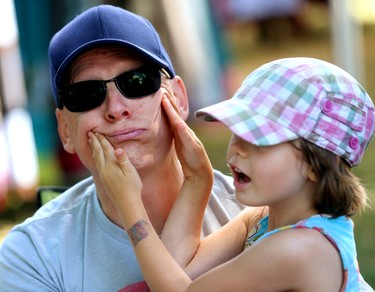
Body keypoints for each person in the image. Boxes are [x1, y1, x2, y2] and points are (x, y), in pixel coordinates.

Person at [0, 5, 247, 291]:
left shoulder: (258, 208)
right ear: (64, 130)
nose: (116, 109)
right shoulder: (31, 256)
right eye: (87, 94)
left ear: (179, 97)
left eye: (137, 82)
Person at [89, 57, 375, 291]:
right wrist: (197, 180)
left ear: (317, 164)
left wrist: (130, 205)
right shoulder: (263, 219)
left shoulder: (302, 248)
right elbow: (176, 271)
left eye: (259, 139)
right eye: (237, 131)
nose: (237, 149)